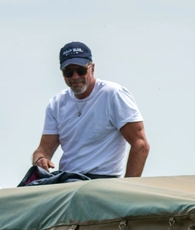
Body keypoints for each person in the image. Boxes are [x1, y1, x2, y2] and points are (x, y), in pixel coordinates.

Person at [25, 41, 149, 185]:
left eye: (81, 70)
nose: (75, 76)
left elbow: (141, 145)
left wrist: (128, 189)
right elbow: (44, 149)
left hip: (101, 181)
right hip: (67, 180)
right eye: (69, 72)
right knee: (24, 195)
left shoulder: (113, 95)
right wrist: (40, 159)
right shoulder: (57, 103)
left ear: (92, 68)